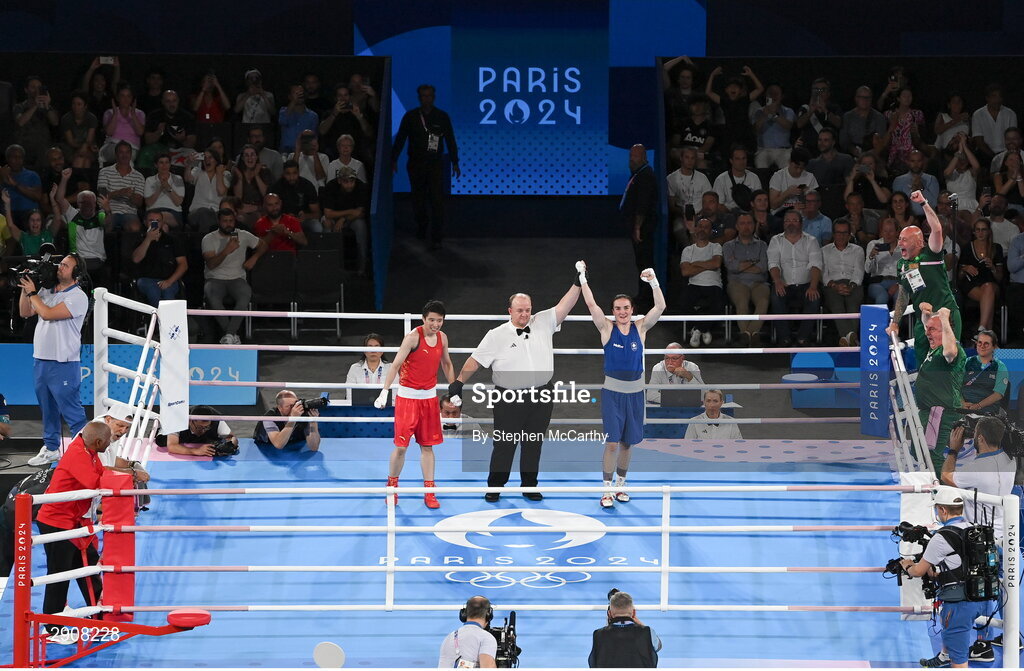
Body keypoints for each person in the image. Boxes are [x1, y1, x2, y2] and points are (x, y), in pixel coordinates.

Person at [451, 279, 582, 502]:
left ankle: (530, 485)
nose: (524, 314)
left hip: (542, 394)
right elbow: (475, 360)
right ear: (510, 311)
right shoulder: (496, 334)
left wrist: (577, 282)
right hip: (508, 397)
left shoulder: (543, 321)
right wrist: (458, 383)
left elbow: (565, 305)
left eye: (528, 310)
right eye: (520, 310)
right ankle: (495, 486)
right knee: (504, 443)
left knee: (534, 442)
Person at [579, 263, 664, 507]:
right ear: (613, 311)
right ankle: (606, 489)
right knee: (612, 442)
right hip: (613, 394)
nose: (622, 312)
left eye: (626, 308)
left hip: (636, 394)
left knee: (627, 443)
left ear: (632, 309)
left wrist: (654, 281)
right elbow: (591, 305)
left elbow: (660, 306)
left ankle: (621, 485)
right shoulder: (606, 328)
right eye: (618, 308)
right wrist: (582, 277)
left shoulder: (641, 328)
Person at [34, 421, 111, 644]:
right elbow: (96, 482)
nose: (110, 444)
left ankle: (99, 616)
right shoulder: (78, 454)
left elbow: (102, 473)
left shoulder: (88, 450)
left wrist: (129, 471)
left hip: (75, 523)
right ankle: (53, 629)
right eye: (108, 441)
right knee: (59, 575)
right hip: (57, 524)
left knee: (89, 567)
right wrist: (126, 478)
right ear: (98, 441)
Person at [374, 301, 455, 509]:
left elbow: (446, 363)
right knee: (401, 447)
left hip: (428, 399)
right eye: (432, 320)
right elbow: (396, 365)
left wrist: (454, 388)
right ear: (423, 319)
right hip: (407, 399)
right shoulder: (412, 338)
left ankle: (429, 492)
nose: (436, 324)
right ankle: (391, 487)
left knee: (427, 446)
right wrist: (384, 391)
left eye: (439, 320)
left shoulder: (442, 338)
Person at [901, 486, 986, 669]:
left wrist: (906, 565)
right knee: (953, 639)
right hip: (980, 599)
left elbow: (917, 571)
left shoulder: (941, 538)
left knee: (959, 659)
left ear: (943, 510)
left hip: (959, 603)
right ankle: (944, 656)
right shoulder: (974, 530)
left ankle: (950, 657)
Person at [21, 253, 89, 466]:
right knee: (47, 409)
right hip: (41, 359)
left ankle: (87, 453)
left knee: (72, 412)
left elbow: (48, 313)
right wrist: (26, 290)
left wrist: (33, 293)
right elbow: (25, 312)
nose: (60, 267)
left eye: (66, 265)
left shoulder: (78, 296)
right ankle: (51, 448)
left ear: (76, 273)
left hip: (64, 362)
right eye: (61, 264)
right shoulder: (46, 291)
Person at [888, 191, 962, 368]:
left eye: (905, 240)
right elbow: (903, 295)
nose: (900, 244)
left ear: (919, 242)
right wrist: (895, 323)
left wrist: (923, 203)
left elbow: (937, 229)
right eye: (899, 239)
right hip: (924, 321)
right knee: (925, 367)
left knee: (950, 363)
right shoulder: (902, 265)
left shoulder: (932, 253)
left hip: (947, 316)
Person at [392, 84, 459, 250]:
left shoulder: (442, 116)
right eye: (423, 96)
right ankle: (422, 226)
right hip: (415, 164)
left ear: (433, 97)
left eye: (429, 95)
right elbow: (400, 138)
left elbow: (450, 140)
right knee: (418, 200)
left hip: (435, 164)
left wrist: (455, 162)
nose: (426, 98)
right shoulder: (411, 116)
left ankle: (437, 236)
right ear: (419, 98)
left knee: (437, 200)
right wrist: (393, 159)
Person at [201, 208, 268, 344]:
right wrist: (226, 250)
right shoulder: (209, 239)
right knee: (212, 297)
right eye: (225, 221)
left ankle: (228, 336)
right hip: (215, 278)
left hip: (237, 278)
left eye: (231, 221)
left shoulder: (243, 235)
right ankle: (232, 335)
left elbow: (263, 245)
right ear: (219, 222)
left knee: (245, 295)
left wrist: (254, 257)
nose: (228, 224)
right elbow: (211, 264)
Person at [914, 304, 967, 474]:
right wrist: (925, 315)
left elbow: (950, 349)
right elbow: (928, 327)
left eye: (933, 330)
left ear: (945, 331)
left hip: (939, 412)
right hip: (928, 411)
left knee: (932, 454)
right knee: (917, 450)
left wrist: (944, 318)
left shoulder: (953, 350)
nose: (927, 333)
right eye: (927, 329)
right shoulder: (934, 350)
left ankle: (947, 494)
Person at [768, 210, 823, 346]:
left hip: (806, 284)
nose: (790, 224)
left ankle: (802, 338)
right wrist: (777, 281)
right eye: (787, 221)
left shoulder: (811, 240)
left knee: (814, 298)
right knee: (776, 297)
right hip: (783, 283)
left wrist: (813, 286)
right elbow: (773, 263)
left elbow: (816, 265)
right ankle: (784, 338)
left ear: (801, 223)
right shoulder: (776, 240)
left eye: (794, 220)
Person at [621, 144, 659, 311]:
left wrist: (637, 227)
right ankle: (642, 294)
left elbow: (642, 205)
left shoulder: (646, 176)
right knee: (640, 262)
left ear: (644, 157)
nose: (631, 160)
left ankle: (646, 299)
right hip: (639, 227)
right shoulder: (639, 174)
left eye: (634, 157)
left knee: (645, 263)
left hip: (643, 229)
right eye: (630, 157)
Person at [724, 211, 770, 345]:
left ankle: (749, 333)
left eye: (749, 223)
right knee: (742, 301)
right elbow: (731, 266)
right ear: (737, 226)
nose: (746, 226)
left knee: (763, 301)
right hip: (737, 283)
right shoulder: (728, 246)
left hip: (759, 282)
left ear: (754, 225)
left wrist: (741, 264)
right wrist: (753, 261)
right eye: (742, 224)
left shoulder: (763, 245)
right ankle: (748, 335)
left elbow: (763, 266)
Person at [128, 211, 187, 306]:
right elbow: (136, 259)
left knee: (168, 292)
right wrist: (148, 239)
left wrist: (169, 281)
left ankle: (167, 320)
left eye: (158, 221)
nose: (154, 223)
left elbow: (183, 264)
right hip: (146, 279)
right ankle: (157, 319)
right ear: (145, 222)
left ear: (162, 223)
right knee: (153, 290)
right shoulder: (139, 239)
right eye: (151, 220)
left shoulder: (172, 240)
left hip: (169, 279)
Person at [588, 590, 661, 668]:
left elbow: (594, 663)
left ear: (609, 614)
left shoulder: (598, 635)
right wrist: (640, 624)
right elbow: (658, 646)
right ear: (634, 613)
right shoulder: (648, 632)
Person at [821, 220, 865, 346]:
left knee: (852, 305)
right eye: (838, 233)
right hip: (832, 285)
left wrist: (851, 286)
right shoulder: (824, 250)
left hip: (853, 284)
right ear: (833, 234)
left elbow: (858, 271)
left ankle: (846, 339)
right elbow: (823, 274)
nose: (841, 236)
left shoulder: (858, 250)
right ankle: (851, 339)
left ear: (849, 234)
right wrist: (835, 286)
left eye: (844, 233)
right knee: (837, 305)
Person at [958, 218, 1004, 333]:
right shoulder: (967, 247)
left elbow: (1000, 277)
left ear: (989, 231)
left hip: (991, 282)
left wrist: (993, 267)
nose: (980, 233)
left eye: (983, 230)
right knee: (988, 298)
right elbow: (959, 276)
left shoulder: (996, 248)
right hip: (972, 284)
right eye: (977, 230)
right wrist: (965, 268)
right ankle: (987, 333)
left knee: (988, 288)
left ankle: (981, 329)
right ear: (973, 232)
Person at [437, 596, 497, 669]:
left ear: (463, 614)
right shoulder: (486, 638)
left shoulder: (449, 637)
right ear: (488, 615)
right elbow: (488, 668)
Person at [960, 329, 1010, 415]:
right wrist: (961, 402)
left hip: (987, 413)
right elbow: (955, 386)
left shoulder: (1000, 367)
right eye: (979, 342)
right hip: (963, 409)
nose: (982, 346)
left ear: (994, 347)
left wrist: (977, 406)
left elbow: (998, 394)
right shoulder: (966, 362)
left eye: (986, 343)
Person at [253, 390, 321, 451]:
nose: (294, 408)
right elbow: (278, 444)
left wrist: (313, 422)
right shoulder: (269, 418)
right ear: (280, 407)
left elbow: (314, 447)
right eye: (290, 406)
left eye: (295, 404)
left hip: (294, 445)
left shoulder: (303, 414)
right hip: (267, 447)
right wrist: (292, 419)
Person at [156, 406, 236, 457]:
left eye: (207, 427)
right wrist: (196, 451)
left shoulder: (217, 420)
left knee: (215, 442)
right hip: (173, 433)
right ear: (190, 422)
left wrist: (229, 446)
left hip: (196, 436)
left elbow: (232, 437)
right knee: (162, 443)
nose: (203, 430)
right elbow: (172, 446)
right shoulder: (177, 420)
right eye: (200, 427)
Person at [865, 218, 901, 307]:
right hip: (878, 282)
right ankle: (878, 321)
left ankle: (895, 321)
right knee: (882, 297)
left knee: (900, 297)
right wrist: (871, 256)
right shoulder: (873, 244)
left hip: (898, 282)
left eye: (891, 231)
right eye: (885, 231)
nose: (887, 234)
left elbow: (908, 270)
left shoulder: (903, 246)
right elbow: (867, 270)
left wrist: (898, 285)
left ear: (897, 232)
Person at [345, 333, 391, 402]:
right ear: (364, 350)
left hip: (385, 409)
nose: (373, 350)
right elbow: (350, 396)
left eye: (376, 346)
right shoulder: (354, 368)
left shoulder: (391, 368)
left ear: (382, 351)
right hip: (360, 409)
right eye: (370, 346)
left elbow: (395, 395)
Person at [892, 151, 939, 216]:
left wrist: (922, 189)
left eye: (919, 161)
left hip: (927, 218)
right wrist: (912, 191)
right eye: (912, 161)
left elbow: (935, 204)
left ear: (923, 161)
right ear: (907, 162)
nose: (916, 164)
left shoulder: (932, 179)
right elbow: (898, 204)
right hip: (906, 218)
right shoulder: (899, 181)